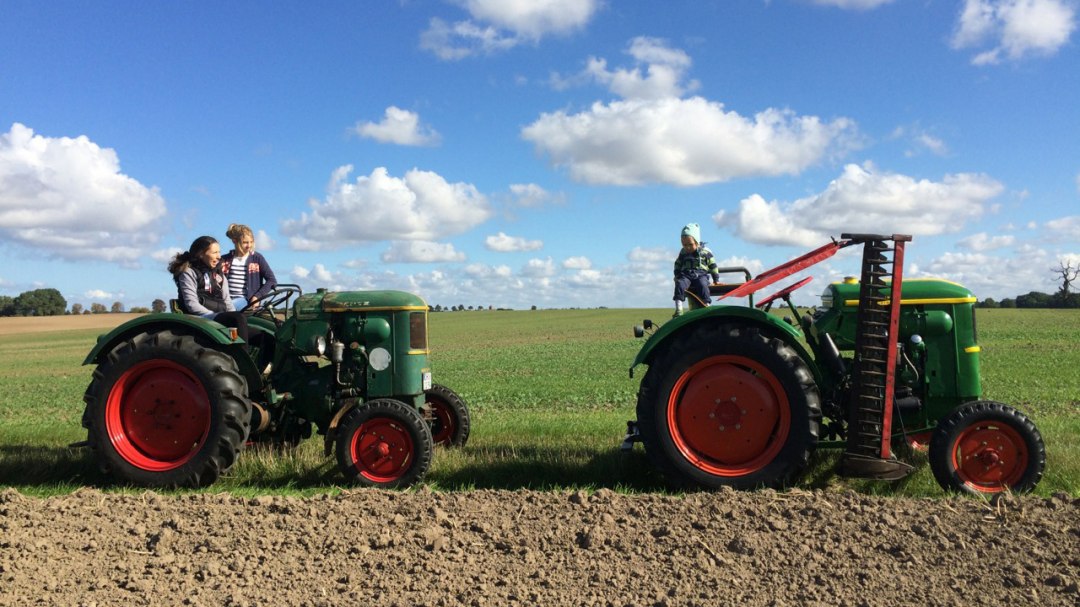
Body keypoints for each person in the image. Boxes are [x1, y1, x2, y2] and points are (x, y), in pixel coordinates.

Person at [167, 235, 251, 346]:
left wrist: (231, 314)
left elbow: (227, 301)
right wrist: (215, 318)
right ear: (200, 254)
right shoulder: (188, 272)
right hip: (201, 318)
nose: (218, 256)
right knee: (237, 319)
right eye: (214, 253)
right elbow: (192, 305)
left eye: (219, 252)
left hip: (217, 316)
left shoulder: (219, 274)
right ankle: (241, 360)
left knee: (264, 335)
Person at [221, 223, 277, 311]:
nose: (249, 245)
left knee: (228, 307)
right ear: (234, 241)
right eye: (245, 242)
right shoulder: (224, 260)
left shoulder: (257, 258)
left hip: (245, 300)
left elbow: (272, 280)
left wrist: (257, 297)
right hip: (225, 299)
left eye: (251, 242)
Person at [673, 222, 720, 317]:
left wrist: (716, 280)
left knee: (703, 285)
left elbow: (713, 265)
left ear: (697, 242)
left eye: (690, 244)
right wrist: (677, 275)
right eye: (684, 244)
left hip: (701, 274)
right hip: (686, 275)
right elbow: (678, 264)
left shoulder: (705, 252)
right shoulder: (683, 252)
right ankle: (679, 309)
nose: (687, 247)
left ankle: (706, 305)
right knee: (680, 284)